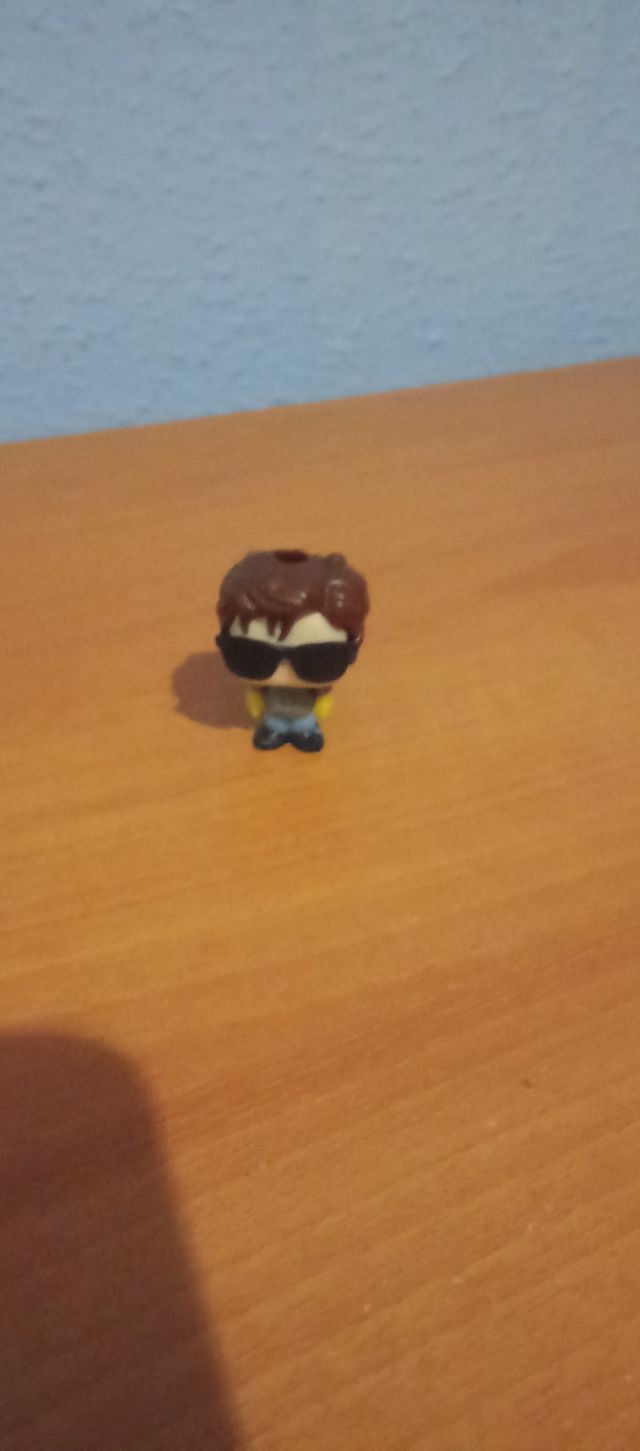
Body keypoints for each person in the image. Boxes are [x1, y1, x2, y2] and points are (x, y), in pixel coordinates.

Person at [216, 549, 370, 751]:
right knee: (273, 726)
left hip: (305, 717)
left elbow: (323, 696)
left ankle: (306, 732)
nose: (283, 671)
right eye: (254, 657)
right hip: (273, 716)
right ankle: (274, 731)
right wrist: (254, 696)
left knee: (305, 726)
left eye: (319, 659)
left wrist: (323, 699)